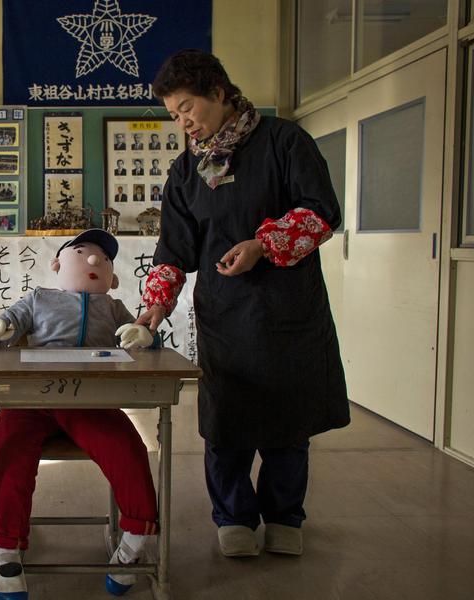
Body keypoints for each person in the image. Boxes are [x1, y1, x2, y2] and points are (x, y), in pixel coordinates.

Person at [136, 49, 349, 559]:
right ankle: (232, 516)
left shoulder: (283, 141)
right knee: (226, 421)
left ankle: (283, 516)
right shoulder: (187, 170)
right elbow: (174, 250)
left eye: (187, 106)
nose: (183, 120)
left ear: (219, 91)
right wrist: (156, 305)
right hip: (225, 316)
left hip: (288, 311)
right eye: (174, 114)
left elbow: (321, 213)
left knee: (287, 421)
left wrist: (263, 246)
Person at [0, 229, 161, 599]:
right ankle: (7, 548)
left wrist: (148, 339)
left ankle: (135, 538)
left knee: (129, 450)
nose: (93, 261)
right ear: (57, 263)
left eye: (103, 259)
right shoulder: (39, 298)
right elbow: (5, 325)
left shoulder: (114, 307)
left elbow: (145, 337)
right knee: (7, 446)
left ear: (114, 276)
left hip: (92, 403)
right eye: (82, 252)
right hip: (32, 400)